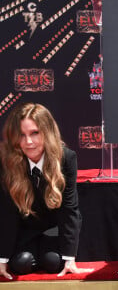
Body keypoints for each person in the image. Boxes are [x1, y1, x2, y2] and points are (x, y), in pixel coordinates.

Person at [0, 103, 92, 279]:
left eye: (35, 133)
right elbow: (7, 212)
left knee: (53, 263)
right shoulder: (7, 162)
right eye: (22, 135)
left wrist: (69, 258)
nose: (28, 142)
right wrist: (2, 258)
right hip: (25, 231)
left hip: (54, 230)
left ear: (47, 132)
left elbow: (69, 209)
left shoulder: (66, 158)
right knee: (22, 263)